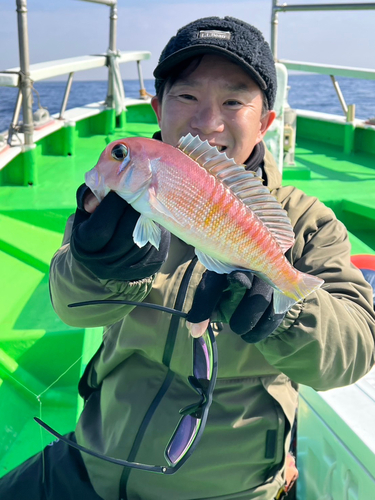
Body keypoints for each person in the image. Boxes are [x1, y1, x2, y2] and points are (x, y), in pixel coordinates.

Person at [1, 16, 375, 500]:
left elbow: (353, 354)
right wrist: (95, 264)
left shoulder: (307, 223)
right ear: (158, 107)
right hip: (94, 457)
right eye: (186, 97)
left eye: (234, 101)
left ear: (265, 121)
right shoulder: (121, 206)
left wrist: (290, 310)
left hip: (226, 489)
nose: (208, 122)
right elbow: (74, 310)